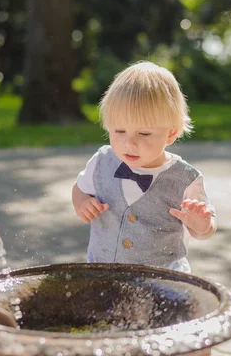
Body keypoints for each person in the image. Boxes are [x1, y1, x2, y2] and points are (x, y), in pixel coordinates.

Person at [71, 61, 216, 273]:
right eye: (119, 131)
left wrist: (201, 224)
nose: (129, 143)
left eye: (144, 134)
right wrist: (81, 202)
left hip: (163, 281)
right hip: (102, 274)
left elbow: (205, 230)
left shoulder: (186, 179)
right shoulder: (101, 161)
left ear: (171, 133)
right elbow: (80, 188)